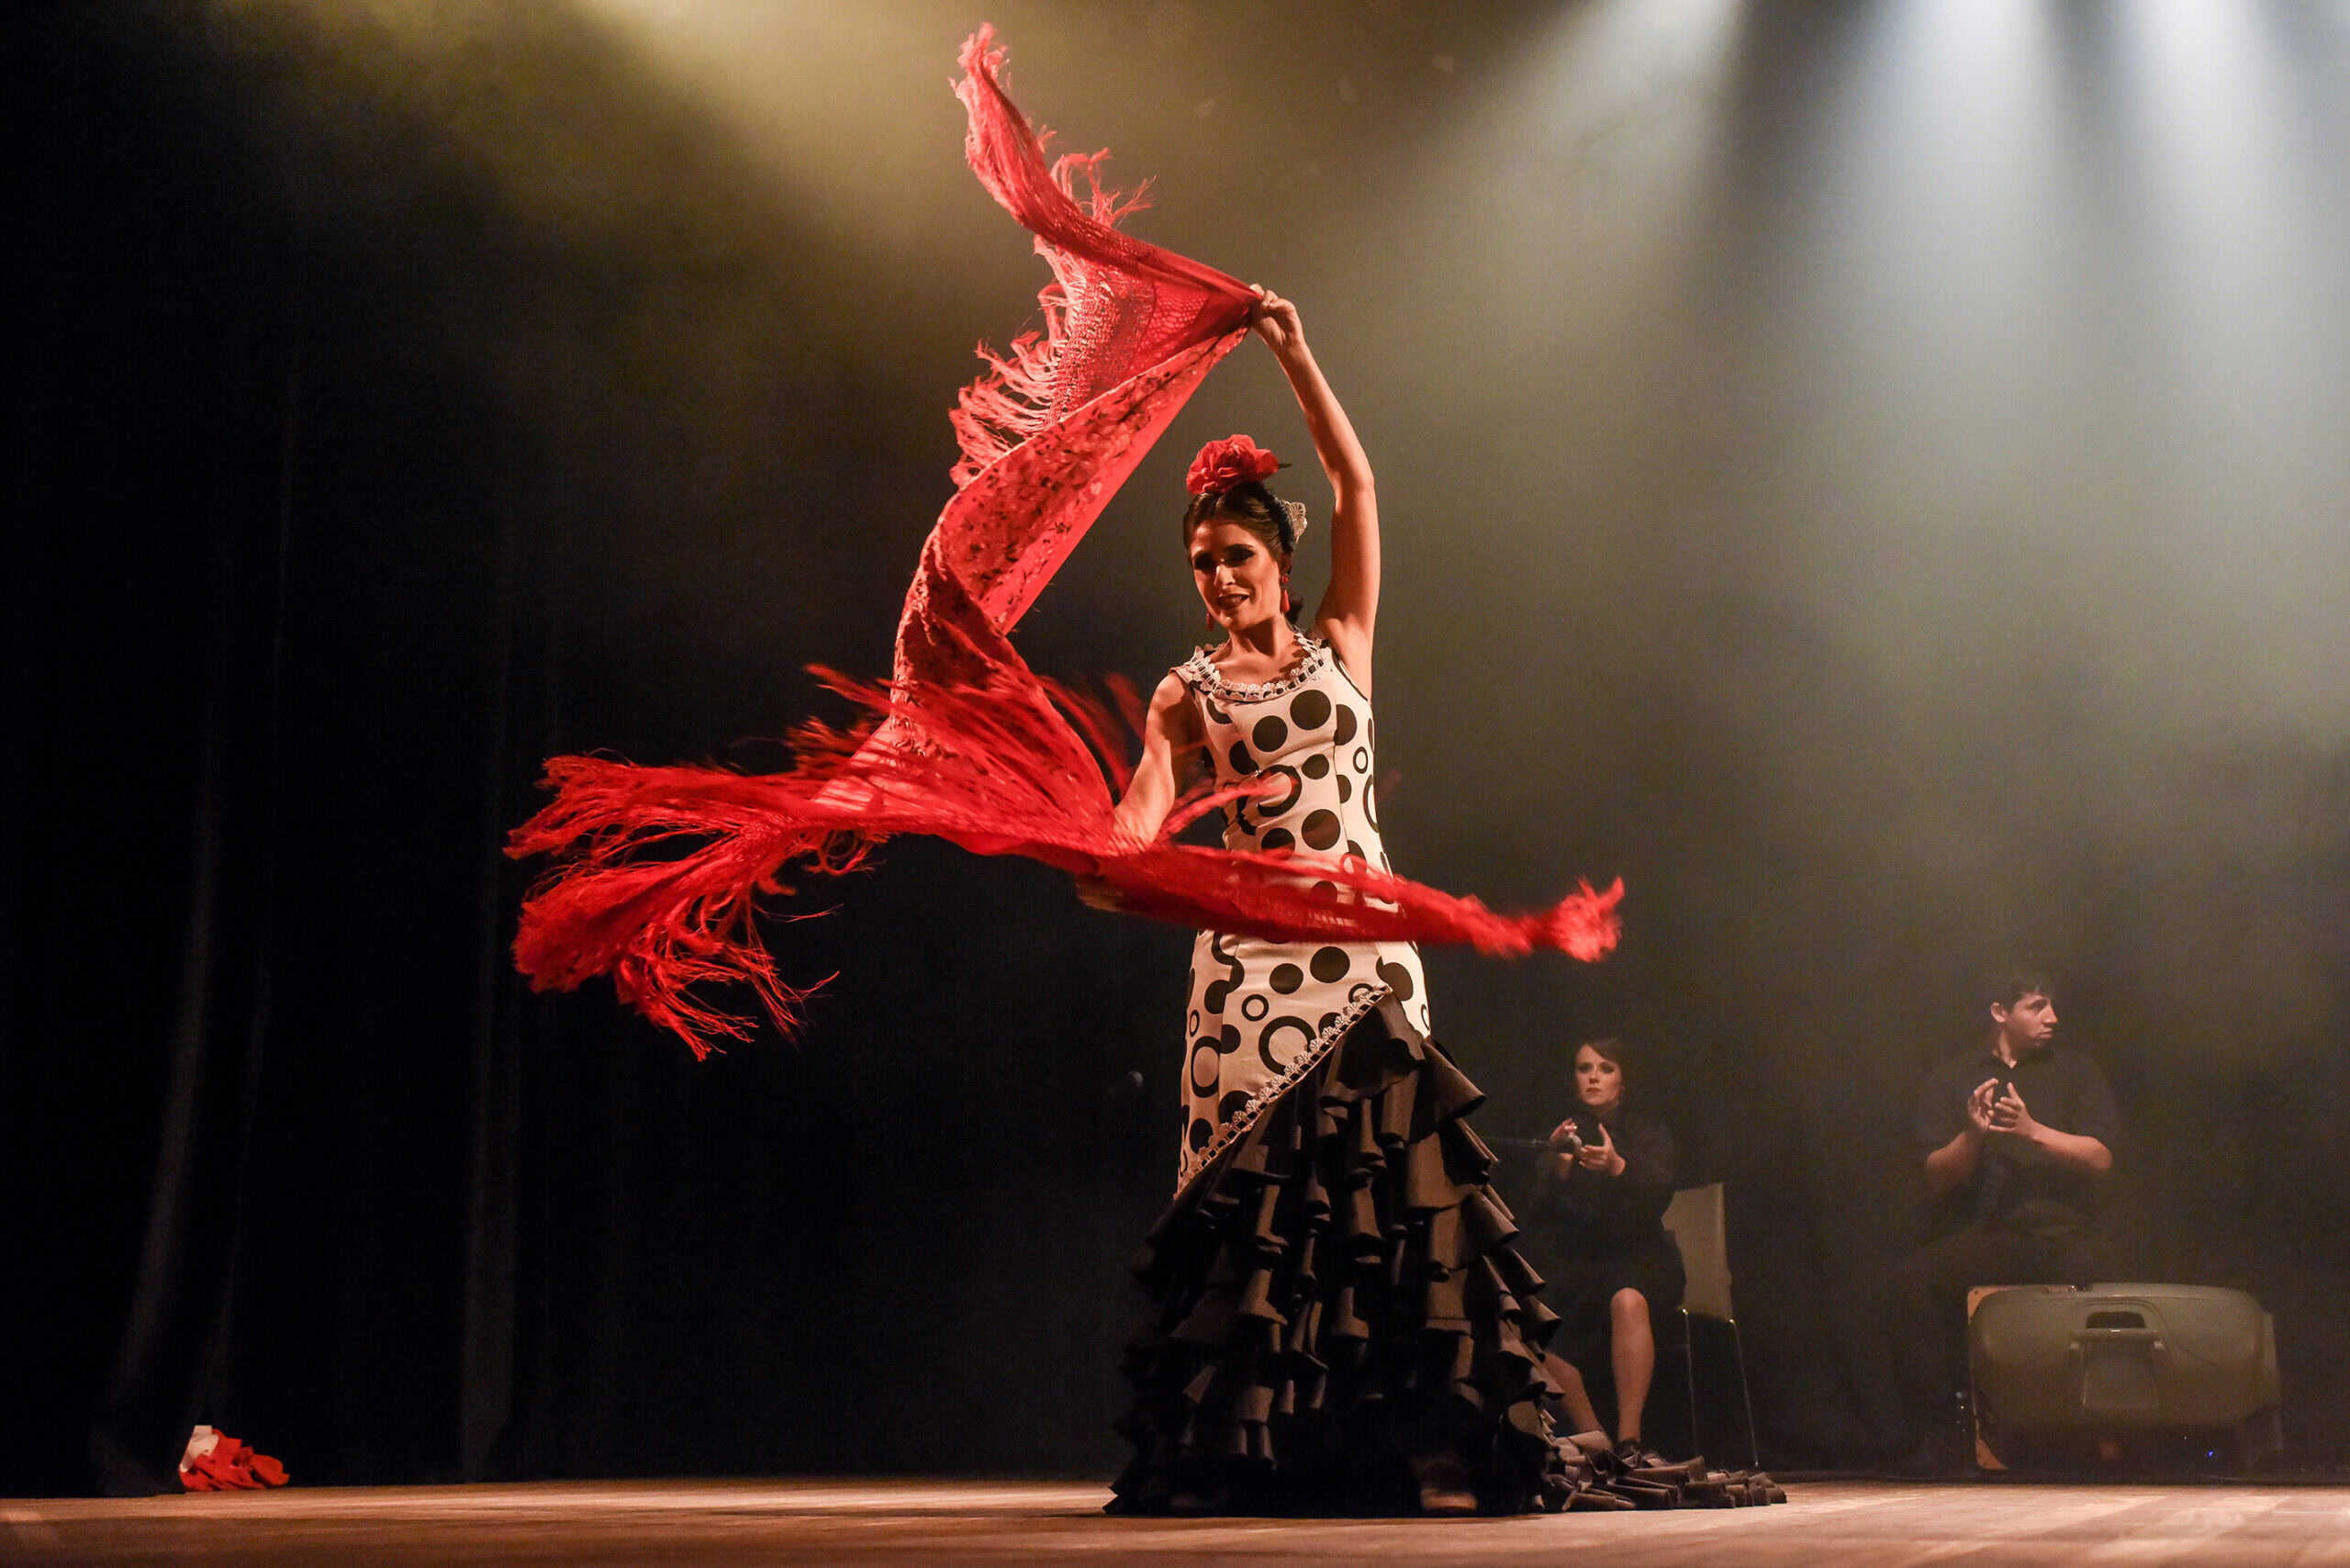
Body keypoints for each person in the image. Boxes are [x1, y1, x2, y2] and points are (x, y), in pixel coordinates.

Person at [1104, 289, 1565, 1517]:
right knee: (1267, 1217)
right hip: (1249, 976)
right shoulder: (1186, 693)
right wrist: (1107, 854)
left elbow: (1357, 487)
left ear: (1280, 560)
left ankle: (1411, 1440)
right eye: (1202, 564)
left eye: (1236, 557)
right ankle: (1266, 1451)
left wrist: (1298, 354)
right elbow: (1144, 806)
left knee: (1386, 1201)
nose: (1219, 579)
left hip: (1364, 958)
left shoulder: (1344, 638)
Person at [1886, 971, 2119, 1468]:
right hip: (1993, 1236)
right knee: (1911, 1283)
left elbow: (2101, 1159)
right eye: (2037, 1006)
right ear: (2000, 1013)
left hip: (2065, 1236)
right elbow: (1936, 1177)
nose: (2052, 1017)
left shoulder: (2075, 1070)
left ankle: (2098, 1436)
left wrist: (2033, 1131)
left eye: (2052, 1005)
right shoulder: (1954, 1076)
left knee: (2108, 1277)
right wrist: (1972, 1135)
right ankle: (1939, 1435)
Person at [1528, 1038, 1686, 1471]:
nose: (1593, 1077)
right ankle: (1596, 1439)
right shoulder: (1562, 1133)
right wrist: (1558, 1164)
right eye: (1584, 1068)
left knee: (1627, 1299)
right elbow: (1537, 1214)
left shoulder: (1648, 1132)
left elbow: (1658, 1195)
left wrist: (1617, 1166)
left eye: (1605, 1068)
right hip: (1578, 1264)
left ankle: (1630, 1441)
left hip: (1639, 1258)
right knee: (1525, 1322)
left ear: (1623, 1080)